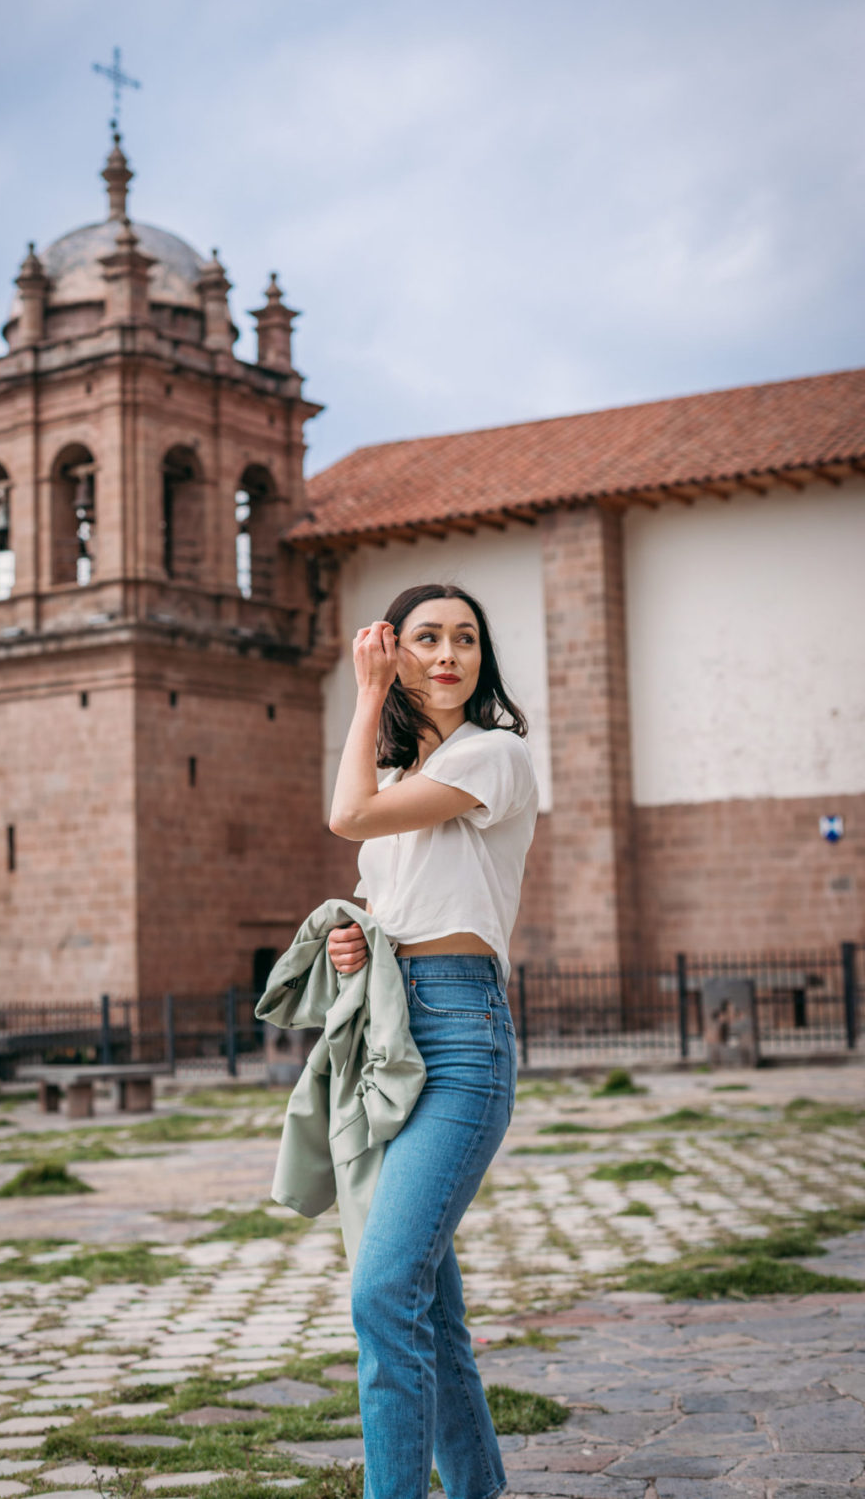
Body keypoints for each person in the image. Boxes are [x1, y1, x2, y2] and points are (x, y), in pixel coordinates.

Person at [327, 581, 538, 1499]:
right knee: (427, 1307)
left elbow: (347, 816)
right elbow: (390, 894)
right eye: (426, 638)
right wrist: (352, 943)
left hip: (461, 1042)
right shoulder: (410, 784)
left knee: (381, 1293)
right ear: (398, 647)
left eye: (465, 639)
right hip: (395, 1039)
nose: (449, 654)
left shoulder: (494, 756)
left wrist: (368, 691)